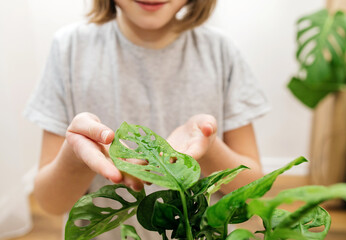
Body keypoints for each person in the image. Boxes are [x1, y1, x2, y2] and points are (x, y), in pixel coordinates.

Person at [24, 0, 270, 239]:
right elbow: (50, 202)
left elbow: (253, 188)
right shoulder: (69, 49)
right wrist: (75, 157)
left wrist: (208, 148)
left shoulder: (221, 51)